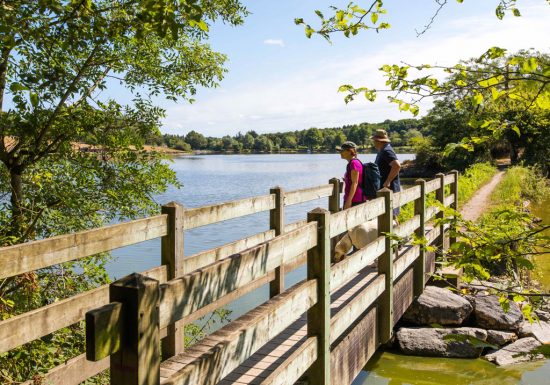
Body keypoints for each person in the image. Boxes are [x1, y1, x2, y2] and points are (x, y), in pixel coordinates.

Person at [371, 129, 402, 216]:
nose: (373, 142)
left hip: (388, 188)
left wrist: (387, 182)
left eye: (374, 140)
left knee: (390, 215)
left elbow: (397, 166)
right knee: (388, 215)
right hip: (385, 189)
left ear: (379, 141)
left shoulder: (386, 151)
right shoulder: (382, 150)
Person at [336, 141, 365, 210]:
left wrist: (349, 201)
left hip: (355, 199)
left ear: (349, 151)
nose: (340, 153)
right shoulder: (352, 163)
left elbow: (355, 183)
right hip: (353, 198)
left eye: (342, 151)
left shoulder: (354, 163)